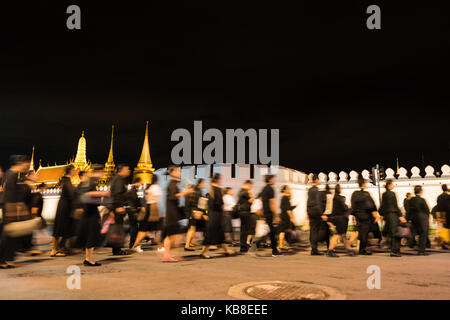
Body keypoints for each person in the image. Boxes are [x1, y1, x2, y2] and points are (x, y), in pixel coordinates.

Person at [0, 155, 33, 268]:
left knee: (10, 235)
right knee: (8, 235)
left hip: (10, 208)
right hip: (11, 209)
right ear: (21, 163)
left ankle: (6, 258)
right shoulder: (11, 175)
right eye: (26, 164)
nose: (27, 167)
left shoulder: (9, 174)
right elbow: (10, 194)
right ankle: (2, 259)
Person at [76, 165, 110, 266]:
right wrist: (101, 193)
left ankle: (88, 258)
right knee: (91, 235)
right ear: (97, 172)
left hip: (90, 211)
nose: (103, 174)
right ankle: (88, 259)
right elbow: (86, 194)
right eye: (102, 172)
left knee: (91, 235)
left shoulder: (92, 181)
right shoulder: (90, 181)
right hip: (89, 212)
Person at [162, 166, 193, 262]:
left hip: (172, 211)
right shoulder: (172, 184)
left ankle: (167, 255)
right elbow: (173, 197)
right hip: (172, 213)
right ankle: (167, 255)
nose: (180, 173)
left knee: (171, 235)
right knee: (175, 235)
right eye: (178, 171)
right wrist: (186, 192)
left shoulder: (174, 183)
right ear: (172, 173)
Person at [200, 173, 234, 259]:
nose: (221, 181)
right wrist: (224, 213)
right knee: (212, 234)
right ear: (218, 180)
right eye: (221, 179)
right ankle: (203, 253)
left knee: (220, 234)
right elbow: (221, 205)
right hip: (217, 216)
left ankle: (226, 251)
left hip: (212, 215)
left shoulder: (211, 190)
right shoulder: (218, 190)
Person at [250, 174, 281, 257]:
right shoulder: (270, 189)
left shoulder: (264, 189)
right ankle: (254, 248)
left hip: (265, 213)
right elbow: (272, 203)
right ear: (270, 180)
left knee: (270, 232)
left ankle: (274, 251)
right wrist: (276, 215)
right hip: (269, 214)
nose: (274, 180)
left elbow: (264, 203)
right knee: (269, 232)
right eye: (273, 179)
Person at [51, 165, 76, 257]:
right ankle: (55, 249)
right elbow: (71, 195)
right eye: (74, 170)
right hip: (65, 208)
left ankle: (60, 247)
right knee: (59, 228)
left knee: (67, 228)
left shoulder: (65, 180)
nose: (75, 172)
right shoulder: (66, 181)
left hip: (64, 206)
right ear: (70, 171)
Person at [132, 175, 162, 252]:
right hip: (153, 209)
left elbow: (146, 199)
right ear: (157, 180)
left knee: (143, 230)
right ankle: (159, 247)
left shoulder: (149, 188)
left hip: (148, 208)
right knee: (158, 229)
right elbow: (157, 200)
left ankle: (134, 246)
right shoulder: (156, 187)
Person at [351, 176, 380, 255]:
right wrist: (375, 215)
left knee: (361, 233)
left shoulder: (354, 194)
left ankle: (361, 248)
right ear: (363, 184)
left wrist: (354, 217)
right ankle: (362, 250)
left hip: (358, 216)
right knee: (365, 233)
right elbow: (371, 206)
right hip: (366, 217)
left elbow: (353, 207)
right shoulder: (366, 194)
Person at [326, 184, 356, 257]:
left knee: (343, 236)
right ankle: (330, 250)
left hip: (337, 218)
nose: (341, 189)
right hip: (340, 219)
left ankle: (350, 250)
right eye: (341, 188)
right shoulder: (338, 198)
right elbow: (344, 208)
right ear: (338, 189)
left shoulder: (334, 197)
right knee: (337, 235)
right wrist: (350, 209)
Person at [109, 164, 132, 255]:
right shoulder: (118, 180)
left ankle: (116, 248)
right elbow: (117, 194)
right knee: (118, 228)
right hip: (117, 207)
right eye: (127, 169)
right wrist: (119, 206)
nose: (128, 171)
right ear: (121, 170)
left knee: (118, 228)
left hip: (116, 207)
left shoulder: (118, 179)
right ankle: (117, 249)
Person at [379, 179, 406, 257]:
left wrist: (382, 214)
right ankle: (395, 251)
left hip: (387, 215)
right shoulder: (392, 194)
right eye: (392, 184)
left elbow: (383, 206)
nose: (393, 185)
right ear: (389, 185)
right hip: (393, 215)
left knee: (390, 232)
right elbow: (395, 205)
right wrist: (400, 215)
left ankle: (391, 248)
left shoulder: (384, 194)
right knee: (395, 233)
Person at [307, 175, 327, 255]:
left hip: (310, 211)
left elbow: (308, 201)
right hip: (316, 212)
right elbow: (318, 203)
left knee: (312, 230)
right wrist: (321, 213)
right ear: (316, 180)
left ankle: (313, 248)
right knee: (315, 230)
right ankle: (315, 250)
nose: (319, 181)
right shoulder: (317, 190)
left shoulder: (310, 190)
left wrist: (307, 211)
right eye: (318, 180)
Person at [184, 178, 206, 251]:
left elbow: (188, 204)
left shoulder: (195, 191)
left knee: (192, 228)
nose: (205, 184)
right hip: (195, 212)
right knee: (193, 229)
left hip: (192, 212)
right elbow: (200, 203)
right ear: (200, 183)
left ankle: (189, 244)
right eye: (204, 183)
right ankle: (187, 245)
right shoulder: (198, 191)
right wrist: (201, 211)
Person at [409, 185, 430, 255]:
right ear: (421, 191)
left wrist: (408, 218)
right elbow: (427, 209)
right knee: (423, 234)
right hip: (422, 218)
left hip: (414, 218)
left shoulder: (411, 200)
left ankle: (411, 244)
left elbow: (409, 210)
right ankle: (421, 251)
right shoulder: (422, 200)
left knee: (414, 233)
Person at [238, 180, 255, 253]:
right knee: (247, 230)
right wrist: (250, 192)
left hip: (242, 212)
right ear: (247, 184)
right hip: (246, 212)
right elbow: (252, 200)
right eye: (250, 186)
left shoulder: (240, 191)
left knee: (243, 230)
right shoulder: (245, 192)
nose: (251, 187)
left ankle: (243, 247)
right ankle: (244, 246)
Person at [278, 185, 296, 251]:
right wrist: (291, 217)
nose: (289, 190)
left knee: (283, 231)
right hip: (285, 217)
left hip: (283, 216)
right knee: (282, 231)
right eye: (288, 189)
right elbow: (288, 209)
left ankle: (281, 245)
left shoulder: (284, 198)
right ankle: (281, 245)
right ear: (285, 190)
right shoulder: (285, 198)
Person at [126, 177, 142, 249]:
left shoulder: (133, 190)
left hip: (132, 211)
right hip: (132, 211)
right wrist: (134, 211)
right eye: (140, 182)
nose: (141, 184)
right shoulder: (132, 191)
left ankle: (133, 243)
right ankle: (132, 243)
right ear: (136, 182)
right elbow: (131, 202)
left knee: (134, 227)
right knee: (134, 227)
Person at [436, 184, 449, 249]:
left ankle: (442, 242)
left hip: (440, 214)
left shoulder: (439, 197)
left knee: (442, 228)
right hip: (447, 214)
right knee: (447, 228)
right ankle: (446, 242)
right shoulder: (448, 196)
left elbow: (437, 206)